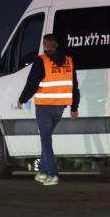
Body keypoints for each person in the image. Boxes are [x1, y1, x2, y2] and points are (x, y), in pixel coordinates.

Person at [17, 33, 79, 186]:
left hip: (44, 107)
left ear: (44, 45)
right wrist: (74, 107)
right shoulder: (69, 61)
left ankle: (52, 174)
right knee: (46, 139)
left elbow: (32, 84)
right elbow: (74, 87)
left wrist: (22, 99)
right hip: (60, 108)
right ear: (56, 45)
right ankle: (43, 172)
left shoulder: (41, 61)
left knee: (46, 140)